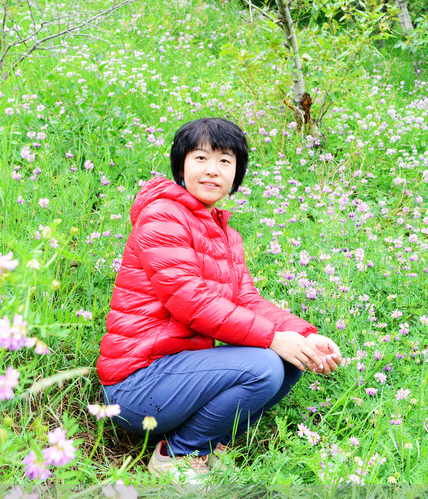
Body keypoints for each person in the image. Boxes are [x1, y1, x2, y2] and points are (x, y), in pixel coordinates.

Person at [97, 117, 342, 484]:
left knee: (291, 361)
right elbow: (191, 302)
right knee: (265, 366)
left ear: (237, 173)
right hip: (136, 385)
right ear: (181, 165)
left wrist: (302, 335)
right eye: (201, 158)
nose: (213, 171)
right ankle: (177, 455)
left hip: (178, 372)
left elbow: (246, 299)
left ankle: (205, 443)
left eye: (225, 161)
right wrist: (273, 339)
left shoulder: (225, 233)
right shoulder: (163, 217)